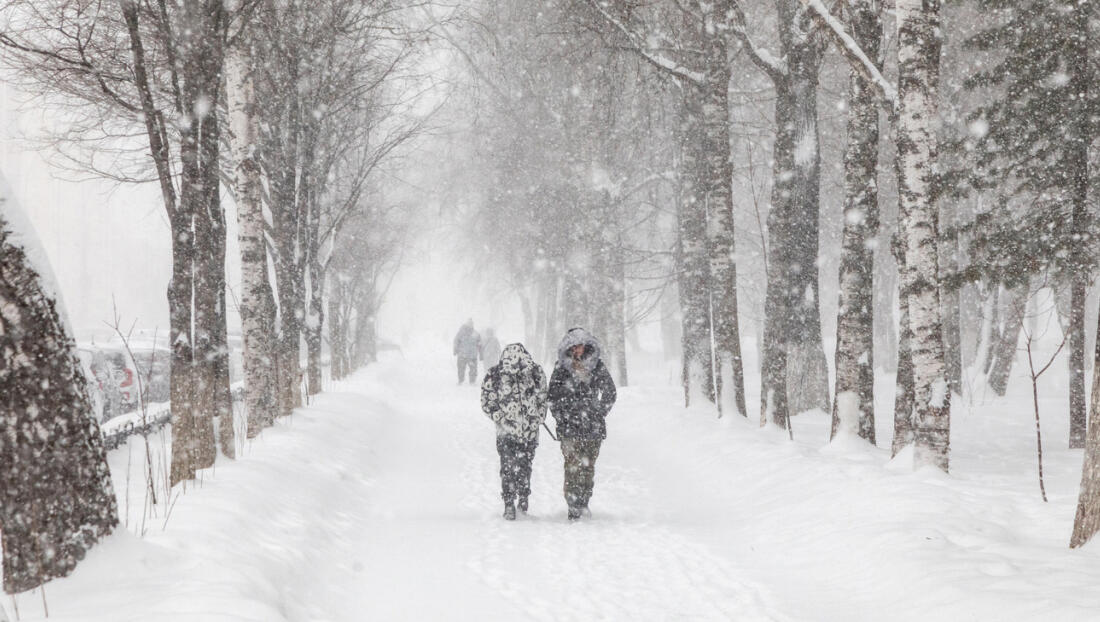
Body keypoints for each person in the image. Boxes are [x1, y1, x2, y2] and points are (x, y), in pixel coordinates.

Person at [548, 327, 616, 521]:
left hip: (592, 427)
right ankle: (573, 505)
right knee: (572, 467)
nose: (579, 349)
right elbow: (552, 397)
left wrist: (600, 411)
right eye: (575, 346)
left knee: (588, 467)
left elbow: (610, 391)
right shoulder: (561, 369)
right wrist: (562, 416)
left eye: (582, 345)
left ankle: (584, 501)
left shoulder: (597, 366)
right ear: (569, 347)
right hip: (570, 427)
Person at [481, 343, 548, 520]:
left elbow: (543, 397)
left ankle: (521, 498)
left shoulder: (535, 373)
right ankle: (510, 502)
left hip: (527, 432)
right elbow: (487, 400)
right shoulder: (495, 374)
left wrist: (539, 417)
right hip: (508, 432)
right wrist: (500, 417)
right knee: (511, 467)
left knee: (520, 467)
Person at [453, 319, 481, 385]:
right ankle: (461, 381)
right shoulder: (461, 332)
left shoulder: (475, 333)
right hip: (464, 354)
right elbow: (456, 341)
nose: (470, 325)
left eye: (471, 324)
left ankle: (471, 381)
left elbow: (479, 343)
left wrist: (481, 353)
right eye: (469, 324)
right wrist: (455, 350)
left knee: (472, 369)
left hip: (471, 355)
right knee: (461, 368)